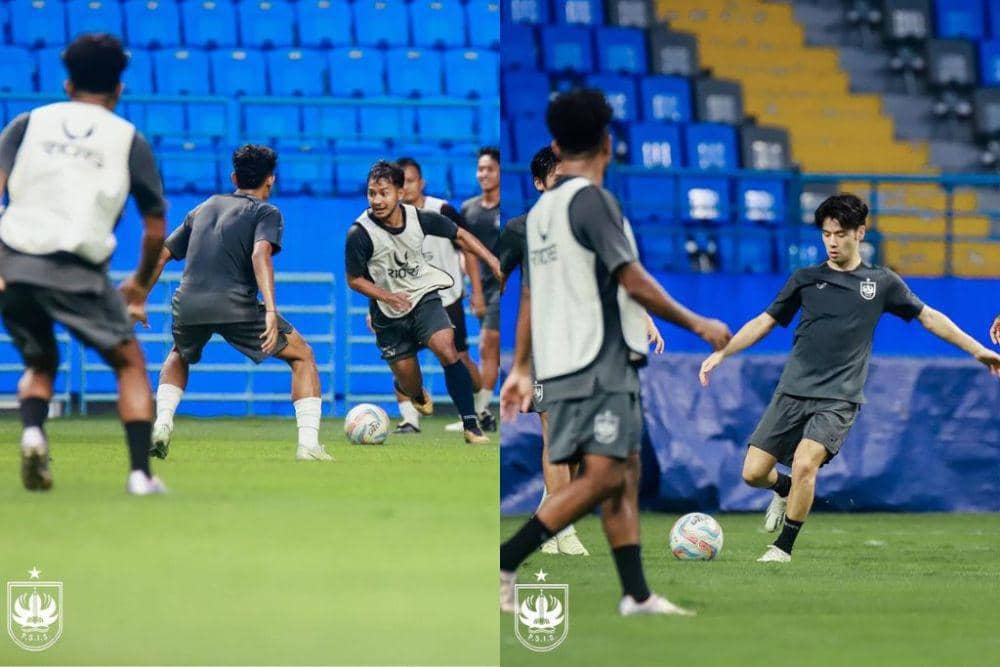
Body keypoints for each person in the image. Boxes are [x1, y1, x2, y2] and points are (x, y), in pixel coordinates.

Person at [499, 89, 731, 616]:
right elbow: (632, 278)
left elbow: (531, 293)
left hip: (561, 363)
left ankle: (637, 594)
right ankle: (506, 560)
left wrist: (519, 366)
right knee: (603, 476)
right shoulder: (593, 201)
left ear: (556, 143)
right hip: (599, 362)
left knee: (622, 474)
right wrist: (697, 323)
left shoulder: (540, 213)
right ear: (609, 143)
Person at [699, 193, 1000, 563]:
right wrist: (723, 352)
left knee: (805, 462)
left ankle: (782, 548)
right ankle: (784, 489)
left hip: (839, 397)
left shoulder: (882, 283)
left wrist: (976, 349)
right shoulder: (806, 279)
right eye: (826, 234)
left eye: (840, 233)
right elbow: (764, 321)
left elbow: (929, 317)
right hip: (792, 391)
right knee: (753, 474)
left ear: (860, 233)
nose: (832, 241)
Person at [0, 34, 166, 494]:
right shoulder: (128, 139)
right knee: (128, 362)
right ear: (118, 88)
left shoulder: (26, 124)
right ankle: (140, 475)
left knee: (40, 359)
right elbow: (155, 228)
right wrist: (137, 284)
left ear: (68, 82)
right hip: (78, 272)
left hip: (13, 264)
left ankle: (33, 431)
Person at [145, 145, 332, 462]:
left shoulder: (204, 207)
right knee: (302, 355)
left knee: (179, 353)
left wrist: (138, 297)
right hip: (235, 305)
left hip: (188, 303)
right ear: (270, 180)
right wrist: (271, 310)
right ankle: (309, 446)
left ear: (234, 176)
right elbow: (261, 254)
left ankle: (162, 422)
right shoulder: (266, 212)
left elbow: (162, 254)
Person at [346, 160, 501, 444]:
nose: (377, 200)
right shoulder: (360, 232)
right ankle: (415, 393)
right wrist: (387, 296)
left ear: (399, 193)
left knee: (448, 349)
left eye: (384, 193)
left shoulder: (420, 217)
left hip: (424, 299)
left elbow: (461, 234)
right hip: (388, 313)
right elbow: (354, 279)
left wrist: (492, 260)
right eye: (372, 193)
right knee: (409, 382)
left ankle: (471, 425)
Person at [388, 156, 483, 434]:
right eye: (400, 182)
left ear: (422, 183)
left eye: (410, 180)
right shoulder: (389, 219)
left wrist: (476, 291)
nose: (405, 187)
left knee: (459, 360)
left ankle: (481, 403)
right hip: (409, 301)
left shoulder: (441, 209)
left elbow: (468, 247)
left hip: (447, 298)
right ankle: (409, 420)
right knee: (401, 359)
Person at [461, 147, 501, 431]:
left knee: (488, 344)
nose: (483, 174)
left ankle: (479, 409)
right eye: (480, 169)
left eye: (489, 169)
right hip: (481, 287)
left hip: (506, 286)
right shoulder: (469, 209)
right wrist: (473, 289)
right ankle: (483, 409)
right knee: (484, 349)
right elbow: (467, 252)